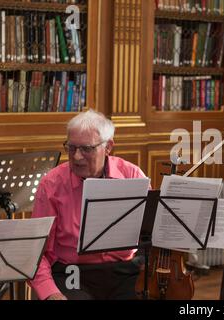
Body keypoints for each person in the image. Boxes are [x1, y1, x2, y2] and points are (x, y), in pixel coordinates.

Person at [29, 109, 149, 300]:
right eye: (71, 147)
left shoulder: (132, 175)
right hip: (73, 273)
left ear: (108, 147)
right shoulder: (51, 184)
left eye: (86, 148)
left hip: (125, 272)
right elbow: (36, 252)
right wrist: (50, 293)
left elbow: (149, 233)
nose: (76, 156)